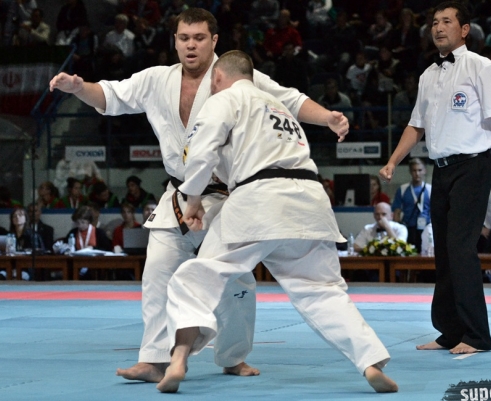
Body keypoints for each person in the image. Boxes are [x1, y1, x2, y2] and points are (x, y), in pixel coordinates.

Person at [49, 7, 349, 383]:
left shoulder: (237, 78)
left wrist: (327, 118)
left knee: (235, 280)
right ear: (174, 41)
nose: (191, 45)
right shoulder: (156, 80)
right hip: (179, 192)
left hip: (226, 195)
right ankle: (154, 359)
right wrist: (78, 88)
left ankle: (232, 356)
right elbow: (111, 96)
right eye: (184, 38)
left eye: (199, 38)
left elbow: (287, 100)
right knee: (158, 269)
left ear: (214, 41)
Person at [157, 50, 397, 394]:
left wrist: (192, 199)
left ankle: (178, 360)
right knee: (322, 291)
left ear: (218, 77)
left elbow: (200, 153)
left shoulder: (224, 98)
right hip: (310, 200)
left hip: (258, 199)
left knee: (196, 278)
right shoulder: (277, 107)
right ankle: (370, 361)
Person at [379, 2, 491, 354]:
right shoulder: (428, 75)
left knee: (460, 248)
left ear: (464, 29)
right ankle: (450, 330)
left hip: (473, 166)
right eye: (434, 22)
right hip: (440, 170)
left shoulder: (482, 67)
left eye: (447, 21)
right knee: (443, 251)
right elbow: (416, 126)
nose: (439, 28)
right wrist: (393, 160)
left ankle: (477, 335)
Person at [391, 158, 431, 251]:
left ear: (425, 171)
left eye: (420, 170)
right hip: (408, 227)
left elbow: (435, 210)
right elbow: (397, 211)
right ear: (410, 171)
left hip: (426, 227)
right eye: (414, 170)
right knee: (409, 252)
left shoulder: (430, 189)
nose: (417, 173)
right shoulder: (402, 189)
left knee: (426, 252)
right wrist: (398, 228)